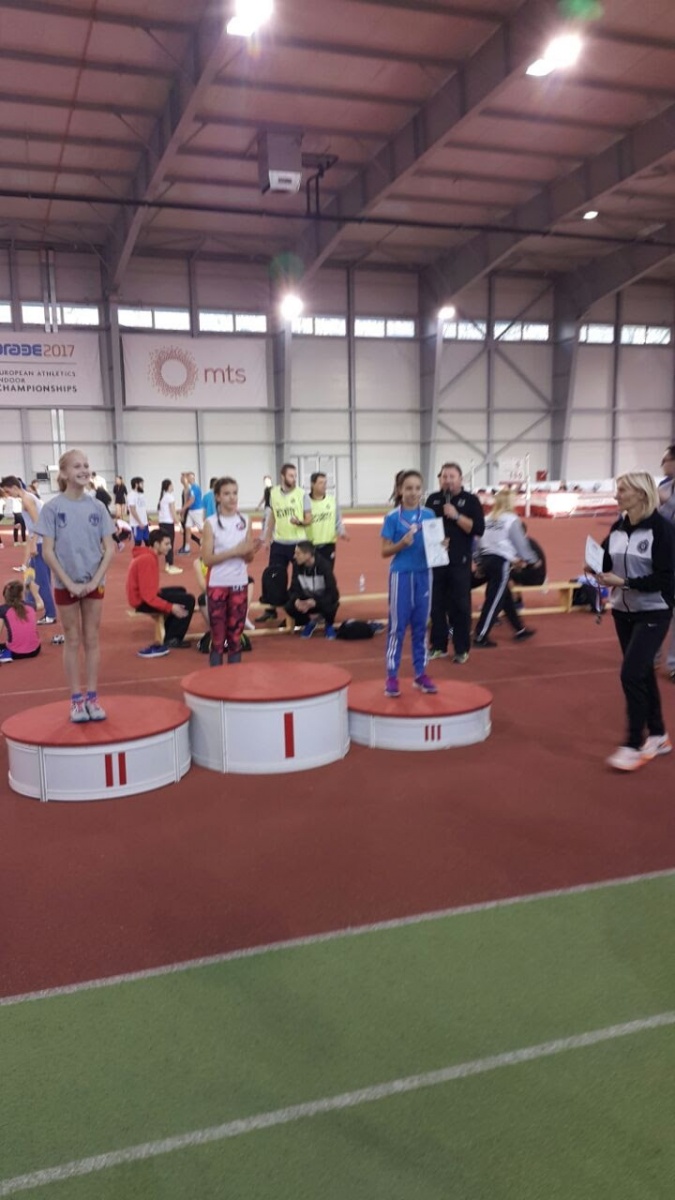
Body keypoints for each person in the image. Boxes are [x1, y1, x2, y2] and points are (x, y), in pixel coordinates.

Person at [594, 472, 674, 771]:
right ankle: (659, 735)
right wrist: (595, 567)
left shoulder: (662, 531)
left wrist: (625, 582)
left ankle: (633, 743)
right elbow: (605, 561)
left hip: (654, 612)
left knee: (630, 674)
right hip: (622, 612)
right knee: (642, 673)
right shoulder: (618, 528)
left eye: (622, 490)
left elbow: (666, 579)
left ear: (641, 494)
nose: (616, 495)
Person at [37, 448, 115, 722]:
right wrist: (67, 581)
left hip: (94, 582)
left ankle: (92, 697)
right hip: (65, 584)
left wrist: (94, 580)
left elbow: (110, 547)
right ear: (64, 473)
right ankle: (76, 700)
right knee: (72, 639)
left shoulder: (98, 507)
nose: (83, 470)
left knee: (92, 638)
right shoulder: (52, 508)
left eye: (86, 465)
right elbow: (48, 551)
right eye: (77, 466)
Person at [381, 469, 439, 697]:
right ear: (400, 490)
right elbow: (384, 551)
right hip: (401, 576)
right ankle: (392, 676)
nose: (413, 493)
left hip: (425, 575)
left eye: (417, 488)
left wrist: (442, 545)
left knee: (421, 626)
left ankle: (420, 673)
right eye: (408, 488)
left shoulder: (430, 515)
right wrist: (401, 544)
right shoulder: (392, 518)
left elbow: (435, 547)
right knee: (397, 627)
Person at [425, 462, 485, 664]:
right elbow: (426, 527)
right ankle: (438, 646)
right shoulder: (433, 500)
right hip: (436, 559)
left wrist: (457, 515)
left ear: (461, 479)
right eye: (444, 477)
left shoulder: (471, 501)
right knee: (436, 605)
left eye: (452, 476)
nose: (448, 480)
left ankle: (461, 649)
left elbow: (478, 529)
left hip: (460, 560)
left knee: (460, 605)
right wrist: (435, 541)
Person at [473, 490, 539, 647]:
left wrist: (479, 562)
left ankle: (519, 629)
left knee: (504, 596)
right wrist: (532, 560)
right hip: (501, 562)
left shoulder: (486, 519)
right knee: (494, 600)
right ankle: (480, 636)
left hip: (486, 560)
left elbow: (477, 543)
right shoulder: (511, 520)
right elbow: (521, 544)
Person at [202, 476, 254, 667]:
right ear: (217, 497)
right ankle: (215, 678)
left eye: (235, 493)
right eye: (226, 494)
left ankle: (234, 678)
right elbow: (207, 559)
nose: (232, 498)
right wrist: (234, 551)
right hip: (218, 584)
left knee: (235, 636)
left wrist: (249, 551)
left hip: (239, 582)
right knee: (217, 637)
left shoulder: (245, 520)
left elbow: (249, 558)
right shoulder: (211, 523)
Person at [126, 529, 195, 658]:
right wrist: (170, 607)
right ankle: (172, 638)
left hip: (143, 597)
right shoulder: (147, 559)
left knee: (181, 590)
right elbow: (148, 597)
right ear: (156, 544)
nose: (170, 547)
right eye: (166, 544)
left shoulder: (148, 555)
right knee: (189, 600)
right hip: (142, 602)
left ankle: (170, 631)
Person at [0, 474, 57, 624]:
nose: (8, 495)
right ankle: (28, 608)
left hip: (40, 543)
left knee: (41, 581)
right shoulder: (28, 498)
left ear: (14, 487)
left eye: (8, 491)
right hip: (41, 542)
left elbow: (38, 522)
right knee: (29, 577)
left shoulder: (26, 499)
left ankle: (50, 614)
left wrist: (33, 543)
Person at [259, 463, 311, 620]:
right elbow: (272, 517)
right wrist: (267, 539)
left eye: (295, 476)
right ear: (282, 476)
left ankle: (294, 613)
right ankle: (271, 610)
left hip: (298, 543)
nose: (294, 478)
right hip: (279, 543)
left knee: (298, 580)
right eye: (291, 475)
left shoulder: (302, 494)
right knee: (274, 577)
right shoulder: (273, 493)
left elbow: (309, 518)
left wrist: (299, 522)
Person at [285, 541, 340, 639]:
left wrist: (315, 602)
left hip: (320, 600)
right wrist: (297, 600)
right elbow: (294, 588)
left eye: (298, 553)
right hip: (306, 600)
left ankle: (328, 624)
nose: (294, 556)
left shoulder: (324, 566)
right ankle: (311, 621)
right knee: (289, 606)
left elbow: (333, 593)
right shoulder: (296, 566)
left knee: (332, 602)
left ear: (308, 555)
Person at [657, 445, 675, 682]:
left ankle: (673, 664)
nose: (663, 463)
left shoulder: (664, 493)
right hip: (662, 558)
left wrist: (667, 502)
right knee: (656, 609)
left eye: (666, 459)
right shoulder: (663, 487)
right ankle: (650, 655)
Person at [307, 472, 349, 567]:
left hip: (328, 544)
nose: (324, 486)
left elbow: (337, 521)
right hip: (310, 545)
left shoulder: (332, 500)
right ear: (312, 484)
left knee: (327, 572)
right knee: (311, 572)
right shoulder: (305, 502)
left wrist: (342, 532)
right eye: (320, 483)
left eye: (325, 483)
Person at [0, 578, 43, 662]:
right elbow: (41, 605)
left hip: (15, 653)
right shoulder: (30, 605)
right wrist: (35, 593)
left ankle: (5, 654)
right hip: (35, 650)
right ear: (21, 594)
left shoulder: (3, 609)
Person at [157, 479, 182, 575]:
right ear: (168, 486)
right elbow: (173, 512)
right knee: (169, 544)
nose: (173, 486)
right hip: (168, 524)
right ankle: (170, 565)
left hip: (162, 523)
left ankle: (168, 564)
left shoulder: (163, 497)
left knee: (166, 544)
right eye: (172, 485)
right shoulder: (170, 497)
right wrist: (179, 524)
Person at [178, 471, 204, 553]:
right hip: (192, 510)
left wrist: (183, 509)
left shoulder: (194, 488)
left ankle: (213, 540)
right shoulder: (192, 487)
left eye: (187, 477)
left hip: (196, 511)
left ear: (191, 478)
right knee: (187, 528)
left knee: (201, 529)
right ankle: (187, 548)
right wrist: (184, 475)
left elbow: (191, 500)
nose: (186, 479)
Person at [127, 477, 149, 546]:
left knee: (148, 542)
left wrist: (147, 520)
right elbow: (132, 510)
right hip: (136, 525)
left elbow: (143, 509)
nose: (143, 485)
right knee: (138, 543)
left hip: (145, 523)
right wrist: (139, 522)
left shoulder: (141, 494)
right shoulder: (131, 495)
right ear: (136, 484)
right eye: (141, 484)